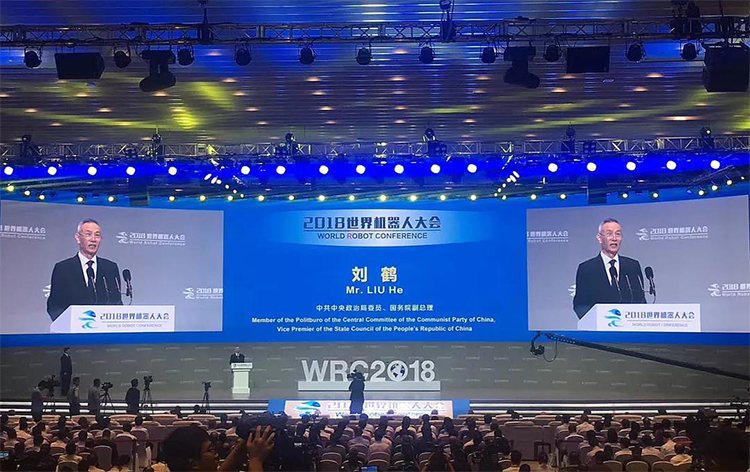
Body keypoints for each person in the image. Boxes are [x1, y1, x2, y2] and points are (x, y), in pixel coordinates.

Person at [47, 218, 123, 321]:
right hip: (74, 329)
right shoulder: (63, 269)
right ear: (78, 238)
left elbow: (117, 304)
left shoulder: (110, 268)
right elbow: (54, 306)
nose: (93, 239)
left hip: (104, 329)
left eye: (97, 235)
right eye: (88, 234)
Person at [573, 218, 647, 318]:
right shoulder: (587, 269)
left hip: (629, 326)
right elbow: (580, 305)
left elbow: (641, 301)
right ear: (599, 238)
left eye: (618, 234)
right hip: (600, 326)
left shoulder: (632, 266)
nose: (614, 238)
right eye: (609, 234)